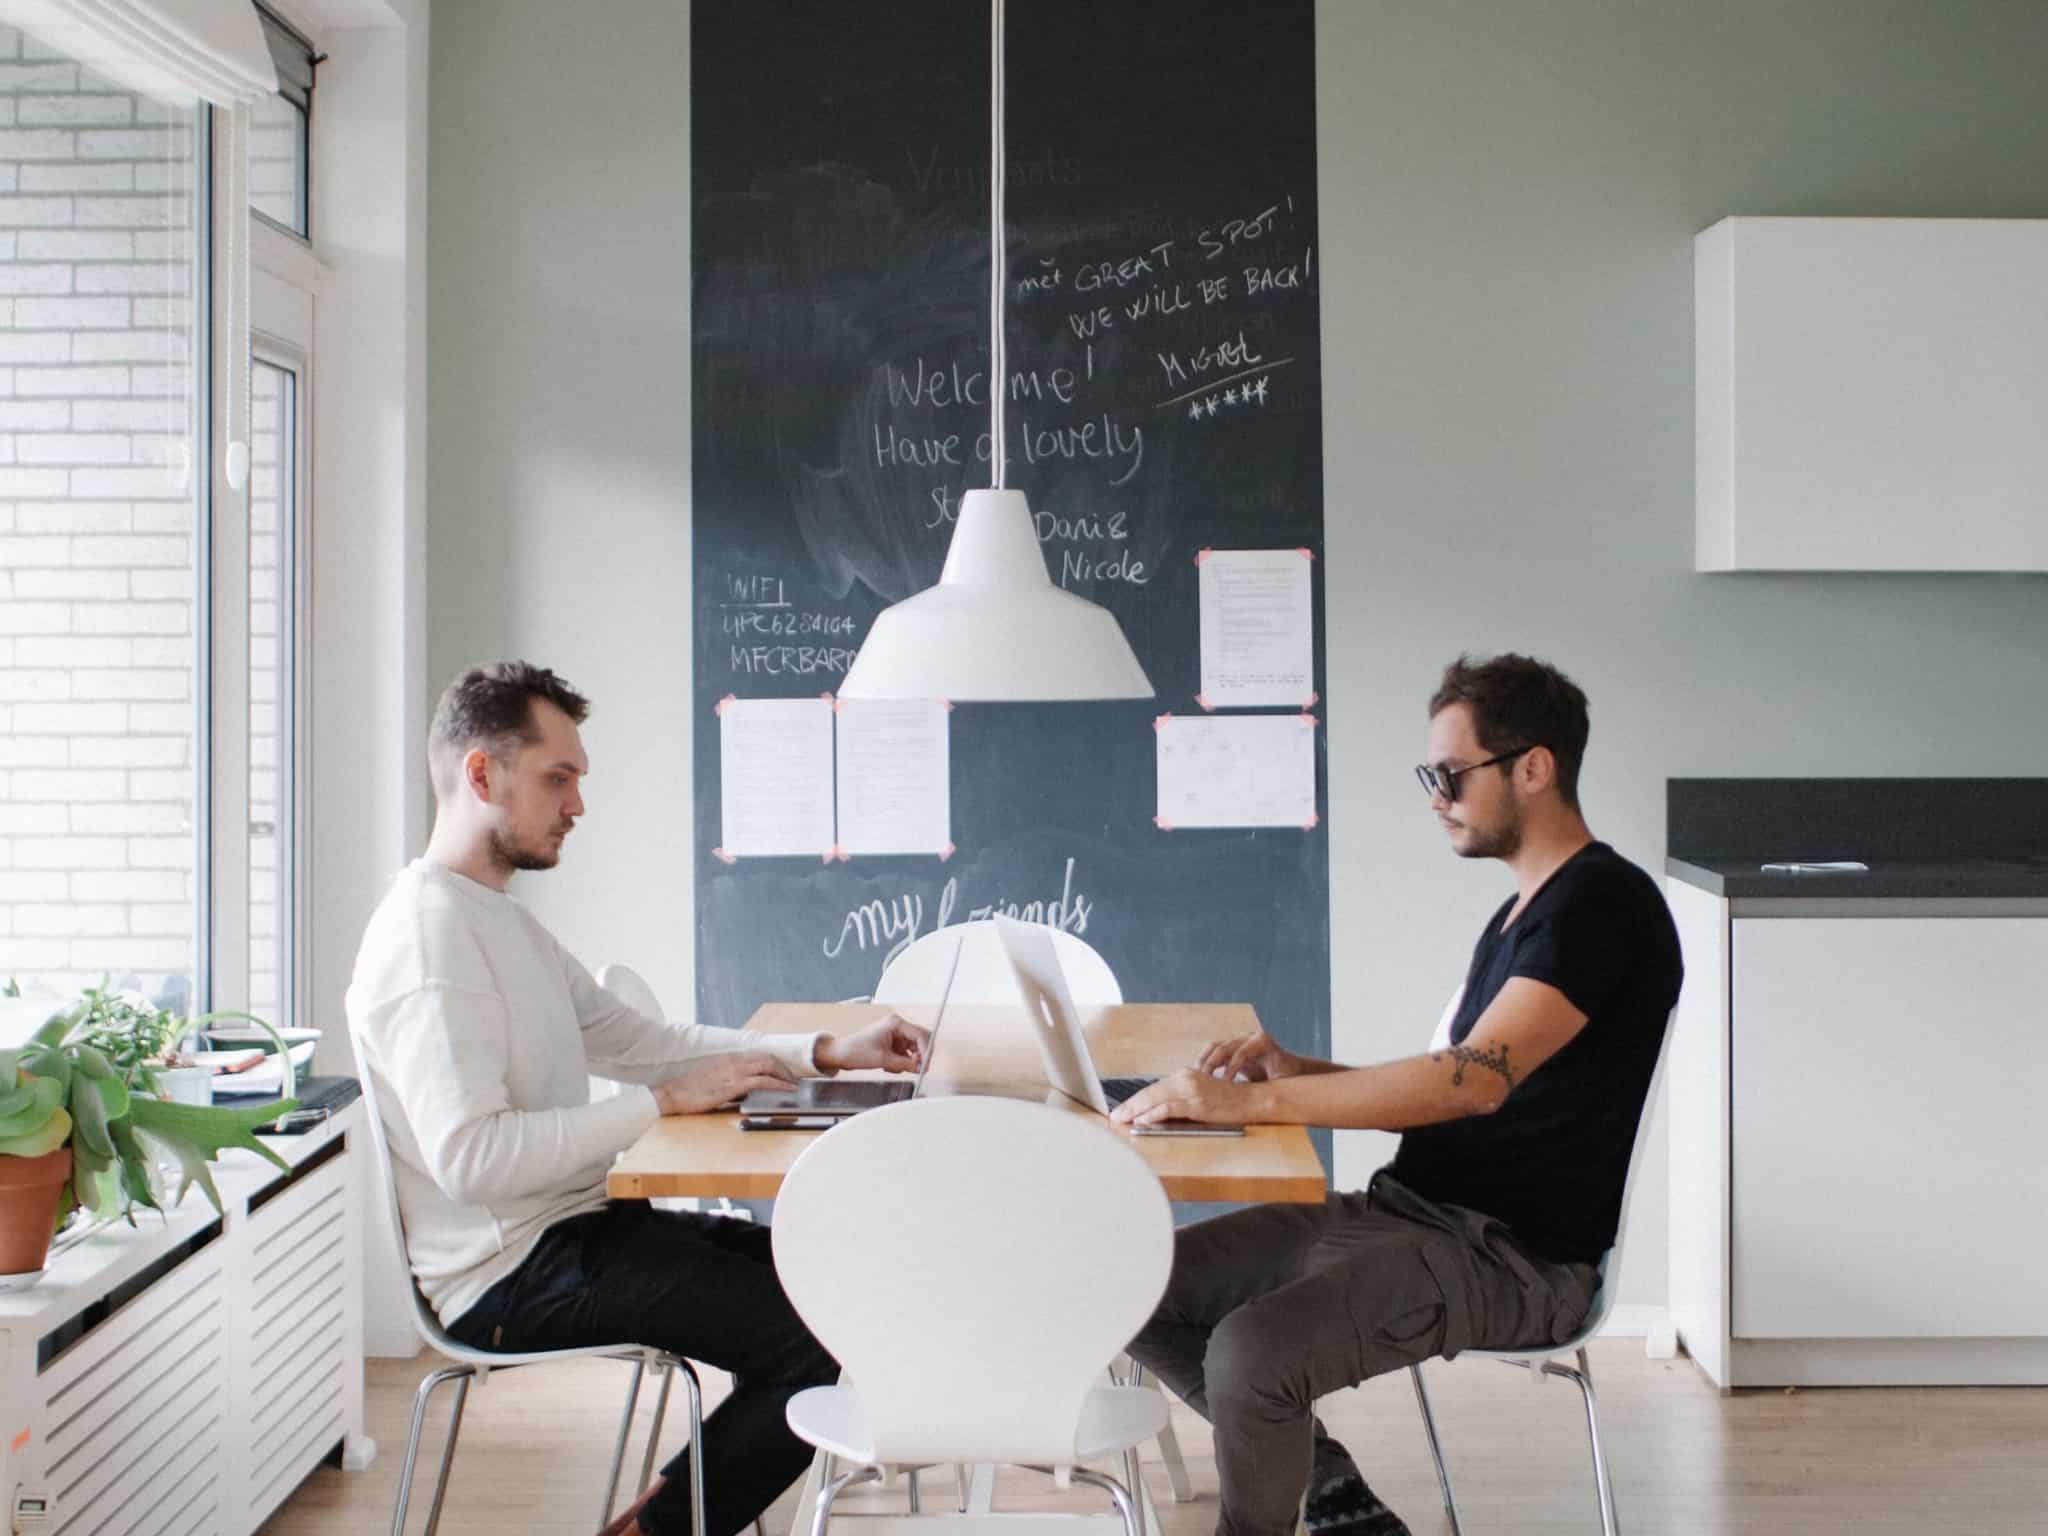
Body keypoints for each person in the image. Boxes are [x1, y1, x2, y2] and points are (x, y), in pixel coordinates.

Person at [346, 662, 928, 1536]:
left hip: (577, 1230)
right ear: (480, 775)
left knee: (835, 1285)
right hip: (507, 1276)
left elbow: (639, 1040)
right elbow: (472, 1160)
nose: (577, 803)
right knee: (815, 1341)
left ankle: (660, 1522)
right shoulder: (430, 945)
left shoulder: (494, 916)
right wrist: (659, 1104)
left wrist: (822, 1051)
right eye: (558, 777)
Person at [1112, 653, 1682, 1536]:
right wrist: (1296, 1072)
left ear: (1534, 768)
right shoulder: (1523, 913)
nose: (1435, 796)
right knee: (1132, 1283)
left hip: (1514, 1256)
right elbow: (1452, 1081)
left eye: (1449, 774)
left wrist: (1253, 1106)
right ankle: (1331, 1492)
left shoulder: (1602, 906)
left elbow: (1470, 1085)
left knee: (1250, 1354)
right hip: (1413, 1212)